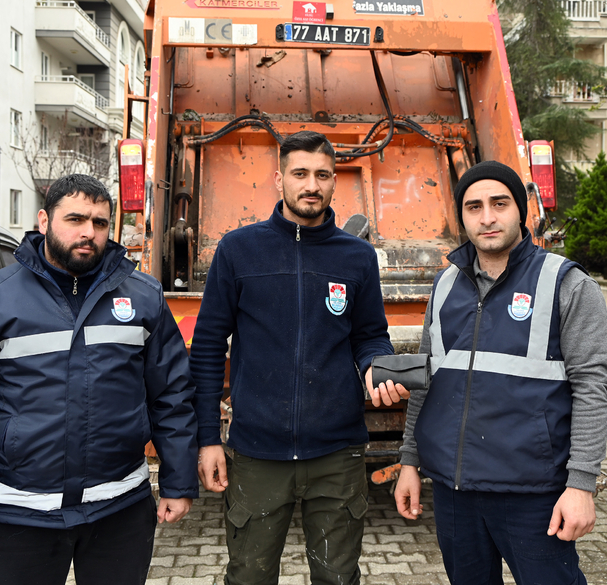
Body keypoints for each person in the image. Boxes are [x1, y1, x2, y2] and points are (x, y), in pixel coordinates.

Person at [190, 130, 407, 585]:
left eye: (323, 175)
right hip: (256, 453)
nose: (312, 184)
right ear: (279, 178)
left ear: (334, 182)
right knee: (248, 577)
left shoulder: (358, 257)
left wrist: (375, 367)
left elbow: (370, 336)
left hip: (337, 454)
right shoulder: (238, 250)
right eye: (300, 173)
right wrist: (209, 437)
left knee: (338, 579)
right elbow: (209, 348)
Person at [395, 161, 607, 585]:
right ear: (461, 217)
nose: (488, 217)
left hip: (532, 495)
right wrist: (409, 461)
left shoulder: (565, 284)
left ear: (522, 210)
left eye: (500, 203)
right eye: (474, 207)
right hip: (455, 492)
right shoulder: (443, 286)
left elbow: (592, 389)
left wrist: (582, 486)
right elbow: (427, 380)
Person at [0, 175, 199, 585]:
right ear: (43, 220)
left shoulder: (144, 296)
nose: (89, 232)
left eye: (101, 223)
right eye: (75, 219)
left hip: (119, 508)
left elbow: (172, 395)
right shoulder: (4, 297)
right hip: (20, 509)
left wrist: (178, 482)